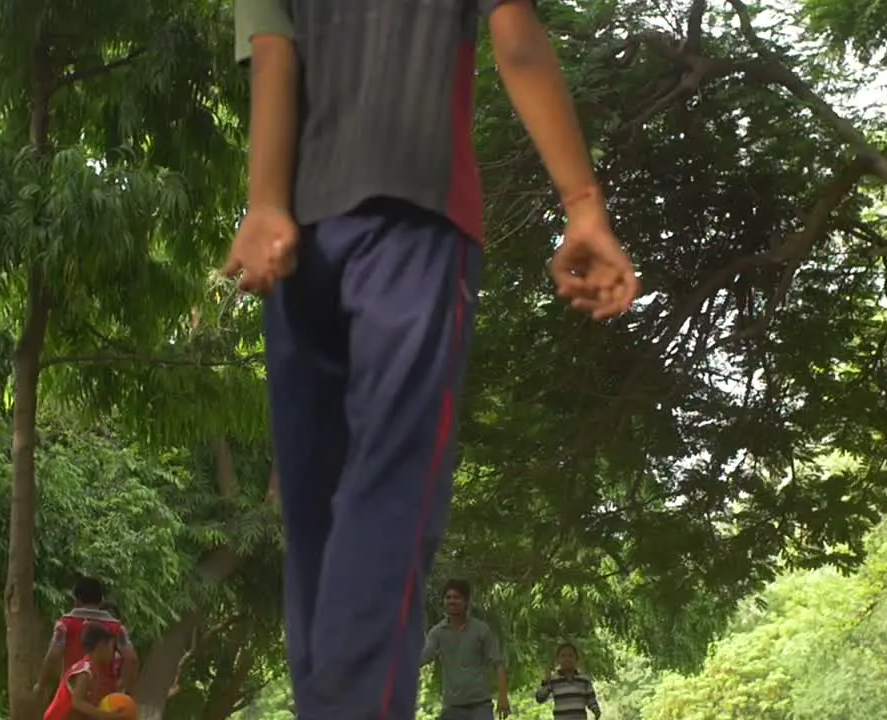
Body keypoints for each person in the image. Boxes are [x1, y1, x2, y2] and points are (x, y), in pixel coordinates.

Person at [226, 0, 640, 718]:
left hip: (297, 239)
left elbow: (274, 56)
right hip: (416, 223)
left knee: (316, 511)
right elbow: (516, 40)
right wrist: (582, 205)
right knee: (389, 492)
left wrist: (264, 204)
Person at [35, 578, 139, 702]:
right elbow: (131, 659)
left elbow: (53, 655)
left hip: (71, 694)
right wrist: (127, 690)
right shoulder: (117, 628)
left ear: (76, 601)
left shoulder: (65, 625)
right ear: (101, 601)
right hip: (104, 699)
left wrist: (41, 685)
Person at [421, 579, 510, 720]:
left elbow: (498, 664)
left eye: (456, 597)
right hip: (452, 706)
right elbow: (424, 657)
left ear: (466, 601)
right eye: (448, 597)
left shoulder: (481, 629)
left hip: (480, 705)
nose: (451, 601)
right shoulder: (437, 632)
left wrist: (503, 697)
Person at [43, 622, 123, 720]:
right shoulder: (85, 671)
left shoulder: (93, 670)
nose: (113, 653)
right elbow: (77, 702)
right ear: (101, 646)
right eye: (111, 647)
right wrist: (106, 715)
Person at [535, 643, 602, 720]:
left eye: (570, 655)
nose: (567, 659)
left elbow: (591, 699)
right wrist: (545, 681)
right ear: (558, 660)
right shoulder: (554, 680)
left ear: (577, 659)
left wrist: (596, 710)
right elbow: (540, 698)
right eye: (563, 656)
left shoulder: (584, 680)